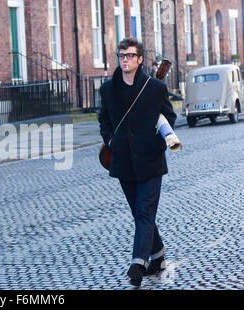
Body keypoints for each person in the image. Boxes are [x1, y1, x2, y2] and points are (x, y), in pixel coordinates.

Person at [98, 38, 177, 288]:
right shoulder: (108, 88)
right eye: (121, 55)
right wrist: (109, 139)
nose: (125, 59)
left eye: (130, 56)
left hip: (151, 161)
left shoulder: (155, 88)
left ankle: (138, 263)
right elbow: (104, 119)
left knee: (144, 212)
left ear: (140, 59)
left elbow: (170, 116)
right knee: (139, 213)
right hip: (123, 162)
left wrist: (159, 144)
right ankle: (158, 255)